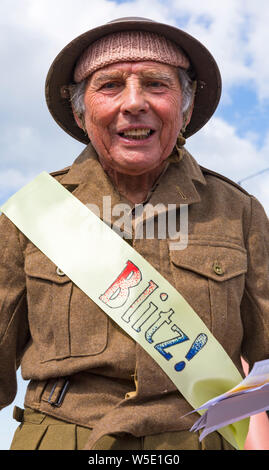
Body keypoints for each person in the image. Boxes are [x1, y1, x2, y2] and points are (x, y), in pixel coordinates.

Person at [0, 17, 268, 451]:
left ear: (185, 106)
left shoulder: (240, 212)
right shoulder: (33, 215)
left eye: (156, 84)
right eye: (109, 85)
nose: (134, 102)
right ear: (80, 111)